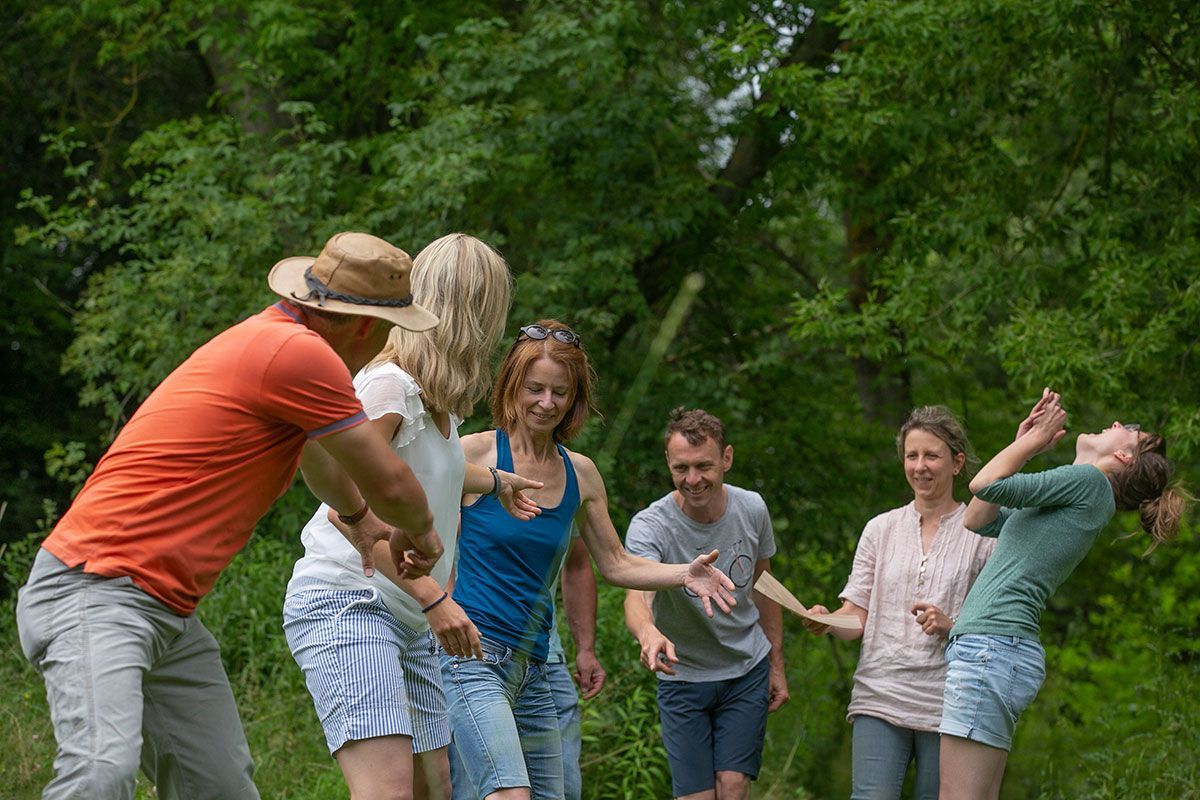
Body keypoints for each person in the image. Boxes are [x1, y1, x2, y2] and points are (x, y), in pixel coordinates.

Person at [15, 231, 447, 799]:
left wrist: (360, 519)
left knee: (219, 788)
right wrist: (423, 533)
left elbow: (321, 460)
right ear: (368, 325)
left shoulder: (279, 348)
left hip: (167, 610)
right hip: (95, 587)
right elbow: (391, 481)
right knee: (101, 771)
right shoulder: (297, 353)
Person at [282, 233, 538, 800]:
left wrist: (498, 482)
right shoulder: (388, 387)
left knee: (434, 787)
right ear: (475, 314)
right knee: (388, 789)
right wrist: (434, 598)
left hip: (407, 619)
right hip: (351, 601)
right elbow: (346, 507)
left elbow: (429, 473)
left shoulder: (433, 401)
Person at [446, 322, 737, 800]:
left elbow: (616, 562)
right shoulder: (474, 452)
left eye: (560, 392)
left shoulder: (579, 473)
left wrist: (684, 573)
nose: (547, 403)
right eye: (535, 388)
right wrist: (432, 602)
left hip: (534, 667)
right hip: (473, 657)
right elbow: (413, 520)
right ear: (512, 386)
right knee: (508, 794)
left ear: (574, 398)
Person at [939, 389, 1190, 800]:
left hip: (991, 647)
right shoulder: (1079, 494)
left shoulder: (1089, 482)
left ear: (1124, 457)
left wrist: (1032, 443)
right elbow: (976, 516)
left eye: (1128, 430)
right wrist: (1024, 445)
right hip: (997, 649)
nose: (1115, 423)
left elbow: (982, 482)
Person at [802, 406, 996, 800]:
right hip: (880, 691)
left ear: (957, 462)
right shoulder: (880, 529)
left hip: (950, 699)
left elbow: (995, 629)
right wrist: (828, 620)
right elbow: (855, 617)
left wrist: (952, 625)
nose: (920, 466)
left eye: (932, 456)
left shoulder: (982, 536)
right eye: (912, 456)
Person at [624, 407, 788, 800]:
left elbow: (765, 586)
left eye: (704, 466)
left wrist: (777, 663)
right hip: (683, 675)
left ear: (726, 458)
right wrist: (647, 633)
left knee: (733, 786)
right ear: (668, 462)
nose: (693, 479)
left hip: (744, 668)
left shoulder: (752, 508)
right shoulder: (651, 525)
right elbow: (636, 596)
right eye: (681, 468)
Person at [548, 535, 606, 800]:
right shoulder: (464, 506)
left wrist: (585, 648)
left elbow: (578, 563)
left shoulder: (569, 506)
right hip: (469, 657)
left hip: (546, 658)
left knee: (564, 790)